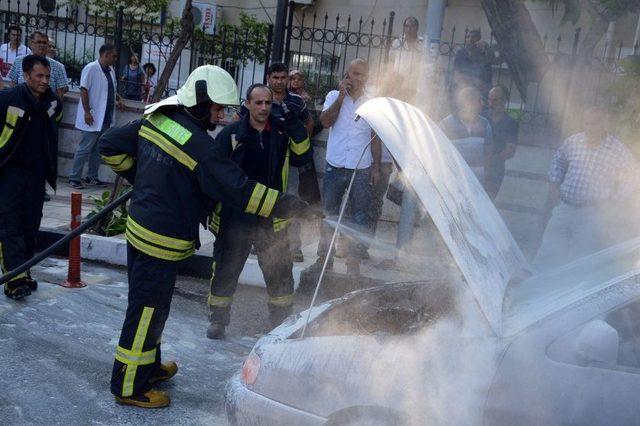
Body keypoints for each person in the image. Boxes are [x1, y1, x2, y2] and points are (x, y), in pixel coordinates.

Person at [99, 65, 311, 408]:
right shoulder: (202, 147)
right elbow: (241, 191)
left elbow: (110, 145)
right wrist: (288, 205)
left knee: (155, 307)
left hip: (140, 229)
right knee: (146, 311)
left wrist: (148, 182)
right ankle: (128, 386)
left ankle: (148, 366)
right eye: (216, 108)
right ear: (199, 102)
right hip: (161, 239)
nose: (221, 115)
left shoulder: (159, 118)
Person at [206, 83, 312, 339]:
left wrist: (294, 125)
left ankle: (281, 325)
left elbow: (302, 156)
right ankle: (218, 321)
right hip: (236, 217)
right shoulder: (231, 135)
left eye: (268, 103)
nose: (264, 108)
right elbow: (214, 175)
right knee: (225, 270)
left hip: (272, 218)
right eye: (258, 103)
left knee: (279, 273)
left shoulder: (280, 133)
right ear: (247, 105)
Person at [532, 106, 638, 270]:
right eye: (586, 123)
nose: (589, 128)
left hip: (592, 213)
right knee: (549, 248)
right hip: (565, 207)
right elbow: (558, 161)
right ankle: (534, 285)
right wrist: (554, 184)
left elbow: (633, 175)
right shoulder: (574, 141)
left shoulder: (617, 149)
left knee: (582, 256)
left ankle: (571, 290)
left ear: (605, 124)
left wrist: (614, 202)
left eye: (594, 123)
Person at [234, 62, 317, 262]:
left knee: (291, 202)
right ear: (268, 78)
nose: (279, 81)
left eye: (283, 77)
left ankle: (294, 247)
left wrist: (300, 145)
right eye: (275, 77)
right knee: (262, 199)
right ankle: (260, 242)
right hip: (262, 160)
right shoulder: (260, 97)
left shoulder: (296, 102)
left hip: (289, 162)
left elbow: (309, 123)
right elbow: (238, 120)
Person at [0, 55, 63, 300]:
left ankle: (23, 273)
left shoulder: (53, 104)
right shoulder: (8, 99)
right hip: (9, 175)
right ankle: (12, 281)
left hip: (35, 178)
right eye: (39, 76)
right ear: (26, 76)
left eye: (47, 76)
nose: (44, 81)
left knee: (30, 226)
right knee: (10, 227)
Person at [315, 58, 380, 275]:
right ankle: (324, 258)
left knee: (359, 216)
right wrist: (341, 97)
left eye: (359, 74)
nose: (354, 77)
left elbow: (375, 137)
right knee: (328, 214)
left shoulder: (371, 103)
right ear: (346, 75)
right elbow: (325, 122)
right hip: (335, 165)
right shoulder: (334, 96)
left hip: (361, 168)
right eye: (351, 73)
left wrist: (377, 167)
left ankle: (353, 262)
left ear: (366, 78)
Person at [69, 44, 124, 189]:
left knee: (98, 149)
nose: (116, 59)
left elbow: (110, 88)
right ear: (105, 54)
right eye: (114, 56)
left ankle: (91, 177)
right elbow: (83, 89)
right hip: (93, 116)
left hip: (105, 117)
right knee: (85, 148)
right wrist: (87, 112)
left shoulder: (110, 70)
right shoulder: (91, 68)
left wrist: (118, 99)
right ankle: (74, 178)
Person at [439, 86, 492, 187]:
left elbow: (488, 151)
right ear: (468, 102)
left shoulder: (485, 124)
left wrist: (486, 174)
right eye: (479, 100)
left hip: (478, 178)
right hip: (454, 177)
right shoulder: (446, 124)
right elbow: (440, 152)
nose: (483, 103)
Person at [7, 31, 67, 101]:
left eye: (44, 43)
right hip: (20, 106)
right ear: (30, 43)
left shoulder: (58, 67)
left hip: (44, 109)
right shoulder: (19, 61)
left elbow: (59, 96)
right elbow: (13, 85)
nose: (42, 45)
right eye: (39, 42)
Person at [486, 85, 519, 199]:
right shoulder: (482, 118)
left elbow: (511, 150)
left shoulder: (511, 123)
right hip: (477, 167)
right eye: (489, 99)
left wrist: (492, 160)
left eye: (495, 100)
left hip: (495, 170)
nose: (491, 103)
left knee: (488, 202)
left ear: (504, 101)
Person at [452, 29, 495, 100]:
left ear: (479, 39)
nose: (470, 39)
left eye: (473, 37)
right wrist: (473, 81)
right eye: (468, 37)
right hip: (463, 91)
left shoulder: (484, 54)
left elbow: (493, 61)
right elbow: (457, 75)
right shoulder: (461, 53)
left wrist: (487, 47)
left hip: (481, 94)